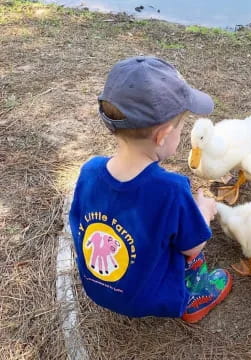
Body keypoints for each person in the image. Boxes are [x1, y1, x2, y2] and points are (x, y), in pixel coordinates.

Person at [69, 56, 232, 323]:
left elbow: (81, 226)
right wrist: (204, 212)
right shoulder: (171, 189)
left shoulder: (89, 171)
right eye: (181, 128)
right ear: (163, 135)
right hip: (148, 297)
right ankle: (190, 300)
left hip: (99, 289)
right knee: (191, 242)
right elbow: (193, 247)